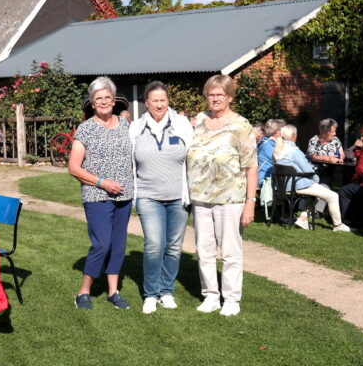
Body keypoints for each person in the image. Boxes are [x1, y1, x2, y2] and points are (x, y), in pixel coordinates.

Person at [186, 74, 256, 317]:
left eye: (220, 95)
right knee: (203, 250)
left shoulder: (241, 125)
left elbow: (251, 165)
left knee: (230, 251)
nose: (215, 98)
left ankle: (232, 299)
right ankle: (211, 296)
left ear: (229, 97)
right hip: (201, 197)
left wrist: (250, 202)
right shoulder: (199, 121)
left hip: (231, 198)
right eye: (211, 94)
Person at [69, 76, 134, 310]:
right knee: (102, 244)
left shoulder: (126, 125)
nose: (104, 101)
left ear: (114, 100)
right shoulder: (85, 129)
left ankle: (113, 291)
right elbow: (73, 167)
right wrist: (102, 182)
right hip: (97, 195)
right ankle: (84, 291)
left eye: (108, 97)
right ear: (92, 103)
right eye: (99, 99)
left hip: (124, 195)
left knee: (118, 244)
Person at [129, 81, 193, 314]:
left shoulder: (182, 125)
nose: (159, 104)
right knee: (155, 244)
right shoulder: (135, 127)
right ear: (146, 102)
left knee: (174, 247)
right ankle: (150, 293)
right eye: (154, 100)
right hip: (148, 195)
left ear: (168, 102)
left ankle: (166, 291)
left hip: (178, 197)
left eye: (163, 100)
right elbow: (129, 162)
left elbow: (193, 156)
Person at [273, 124, 353, 232]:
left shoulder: (277, 150)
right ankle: (338, 225)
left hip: (283, 186)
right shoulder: (294, 151)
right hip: (298, 185)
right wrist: (315, 180)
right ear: (293, 136)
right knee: (333, 196)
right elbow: (308, 170)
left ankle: (303, 218)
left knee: (317, 193)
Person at [306, 118, 344, 187]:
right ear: (324, 132)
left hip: (328, 172)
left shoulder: (335, 140)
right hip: (314, 172)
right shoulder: (314, 140)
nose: (335, 134)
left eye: (335, 131)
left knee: (324, 189)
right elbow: (313, 156)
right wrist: (328, 158)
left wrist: (341, 157)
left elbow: (341, 153)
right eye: (332, 132)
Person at [256, 119, 286, 188]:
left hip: (272, 178)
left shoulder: (269, 142)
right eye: (282, 130)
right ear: (276, 131)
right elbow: (279, 160)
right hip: (265, 179)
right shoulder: (267, 144)